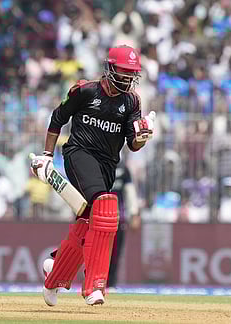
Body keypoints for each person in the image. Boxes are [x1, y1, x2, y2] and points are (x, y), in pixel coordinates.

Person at [31, 45, 155, 306]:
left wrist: (142, 137)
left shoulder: (132, 101)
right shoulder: (85, 91)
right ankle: (95, 285)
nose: (127, 78)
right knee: (106, 204)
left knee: (89, 219)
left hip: (107, 164)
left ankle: (55, 272)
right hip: (78, 153)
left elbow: (133, 143)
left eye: (131, 74)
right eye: (123, 72)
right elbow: (57, 118)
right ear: (109, 69)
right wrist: (46, 154)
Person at [107, 165, 140, 287]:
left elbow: (130, 193)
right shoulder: (97, 163)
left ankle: (110, 283)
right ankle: (93, 281)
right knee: (96, 252)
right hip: (98, 216)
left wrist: (134, 213)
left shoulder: (123, 170)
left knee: (115, 253)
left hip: (118, 218)